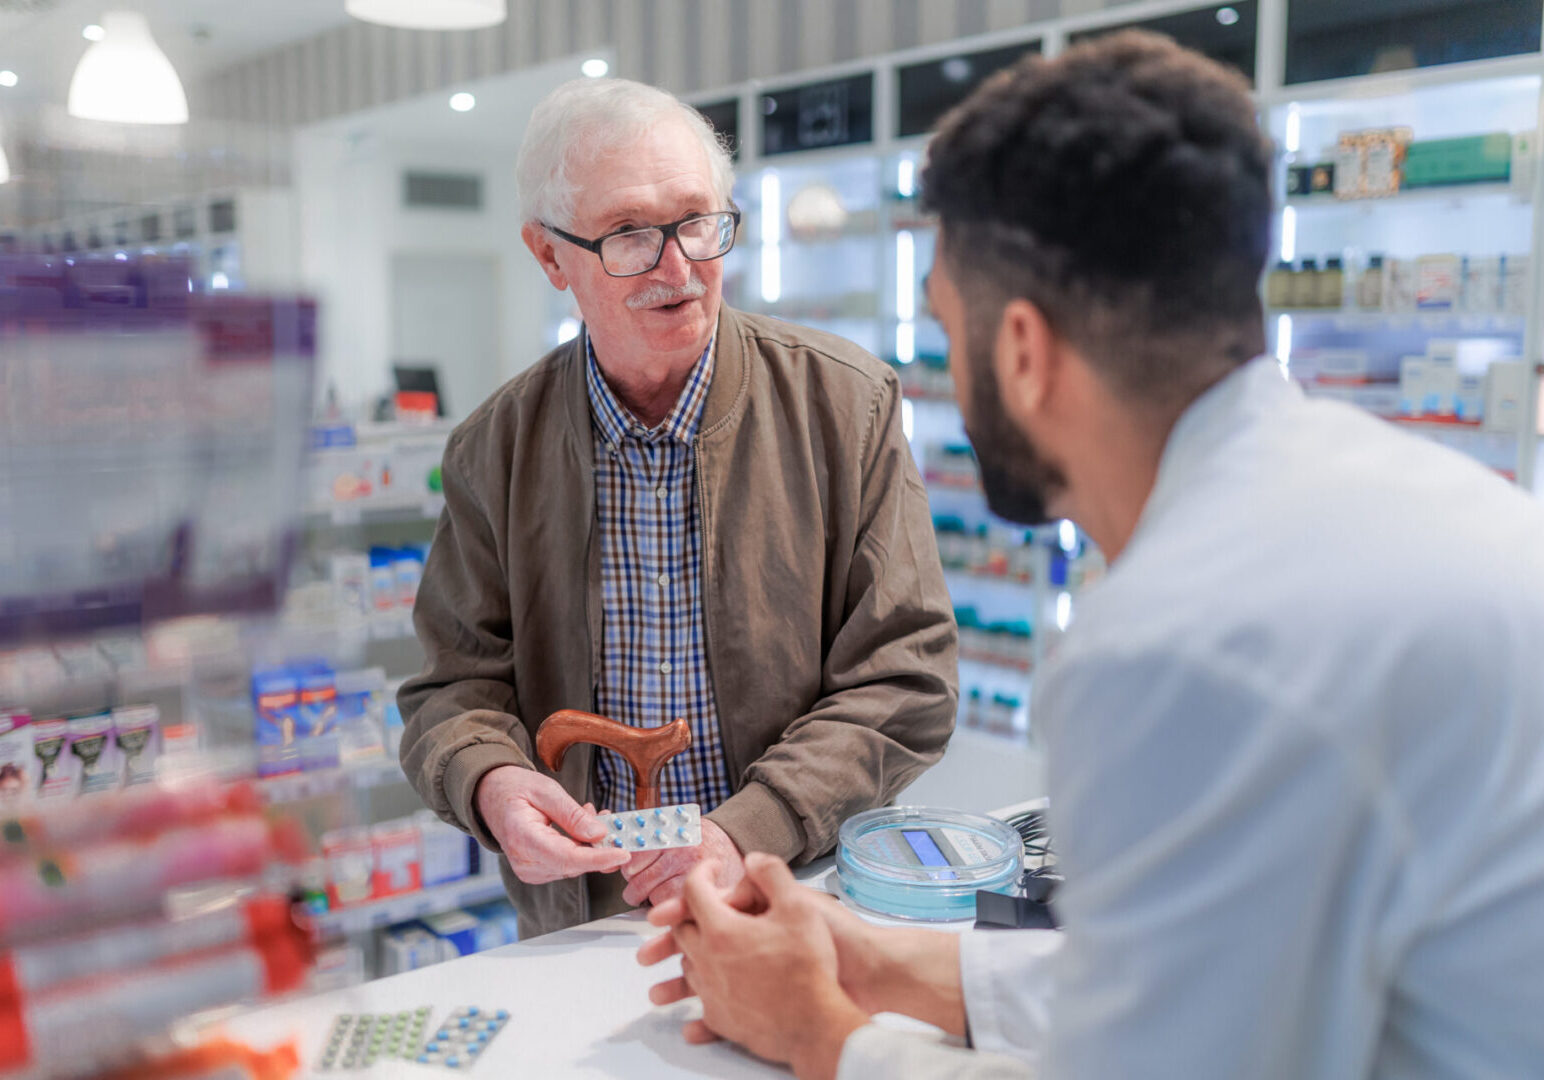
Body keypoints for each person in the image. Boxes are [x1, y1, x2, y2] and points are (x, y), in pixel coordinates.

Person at [639, 31, 1544, 1079]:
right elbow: (1201, 977)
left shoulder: (1179, 640)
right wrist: (874, 958)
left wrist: (820, 1033)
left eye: (946, 327)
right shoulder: (1394, 494)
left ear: (1020, 350)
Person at [398, 77, 958, 938]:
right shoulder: (493, 450)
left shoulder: (846, 407)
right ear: (551, 257)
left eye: (699, 221)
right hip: (580, 917)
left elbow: (905, 676)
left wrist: (747, 830)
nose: (680, 267)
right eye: (628, 234)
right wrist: (490, 782)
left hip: (793, 895)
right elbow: (452, 687)